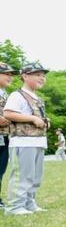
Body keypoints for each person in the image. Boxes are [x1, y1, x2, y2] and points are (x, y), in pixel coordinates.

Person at [3, 62, 50, 215]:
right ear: (24, 76)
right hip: (23, 142)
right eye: (37, 75)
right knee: (22, 176)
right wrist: (32, 119)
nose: (42, 78)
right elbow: (8, 113)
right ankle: (15, 207)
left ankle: (29, 203)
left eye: (43, 76)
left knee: (35, 176)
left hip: (38, 141)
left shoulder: (37, 97)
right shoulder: (17, 95)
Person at [0, 62, 19, 209]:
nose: (10, 77)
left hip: (5, 136)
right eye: (6, 74)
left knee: (1, 168)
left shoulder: (5, 94)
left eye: (11, 74)